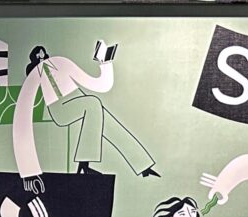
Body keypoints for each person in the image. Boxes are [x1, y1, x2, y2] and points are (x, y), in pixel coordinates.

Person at [13, 44, 158, 194]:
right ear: (35, 56)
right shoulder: (34, 73)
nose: (42, 54)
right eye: (38, 53)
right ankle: (84, 165)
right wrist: (28, 171)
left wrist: (105, 63)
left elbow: (101, 85)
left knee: (103, 116)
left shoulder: (61, 63)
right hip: (60, 109)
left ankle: (143, 165)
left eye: (42, 52)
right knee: (93, 104)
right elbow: (22, 113)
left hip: (78, 99)